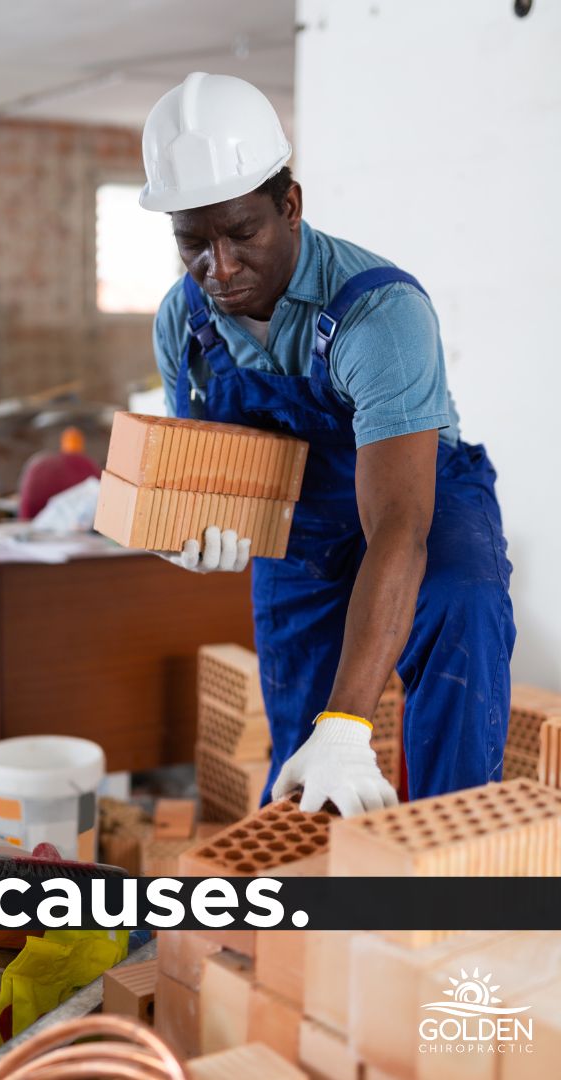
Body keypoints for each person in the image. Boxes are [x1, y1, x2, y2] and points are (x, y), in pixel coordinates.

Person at [141, 73, 513, 815]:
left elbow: (400, 530)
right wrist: (179, 531)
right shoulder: (183, 325)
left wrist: (351, 723)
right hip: (301, 529)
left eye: (242, 234)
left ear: (290, 206)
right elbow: (197, 474)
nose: (218, 267)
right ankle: (326, 902)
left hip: (419, 499)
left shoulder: (379, 313)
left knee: (458, 602)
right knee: (307, 763)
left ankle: (446, 855)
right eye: (193, 243)